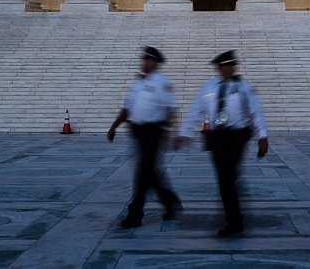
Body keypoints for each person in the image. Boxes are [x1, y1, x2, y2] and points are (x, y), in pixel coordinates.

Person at [177, 50, 269, 237]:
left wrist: (263, 135)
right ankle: (234, 213)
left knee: (227, 178)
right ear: (219, 68)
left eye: (231, 66)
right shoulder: (209, 87)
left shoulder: (244, 86)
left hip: (238, 136)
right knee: (226, 178)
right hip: (217, 137)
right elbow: (195, 110)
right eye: (225, 66)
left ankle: (234, 221)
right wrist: (184, 133)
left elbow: (255, 111)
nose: (229, 69)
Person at [107, 46, 182, 228]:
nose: (144, 63)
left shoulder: (161, 83)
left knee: (142, 174)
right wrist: (114, 126)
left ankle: (135, 214)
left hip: (153, 132)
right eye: (144, 60)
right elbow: (127, 108)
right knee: (150, 173)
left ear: (155, 63)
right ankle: (170, 201)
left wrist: (168, 133)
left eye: (148, 60)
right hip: (138, 132)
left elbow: (170, 110)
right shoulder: (138, 83)